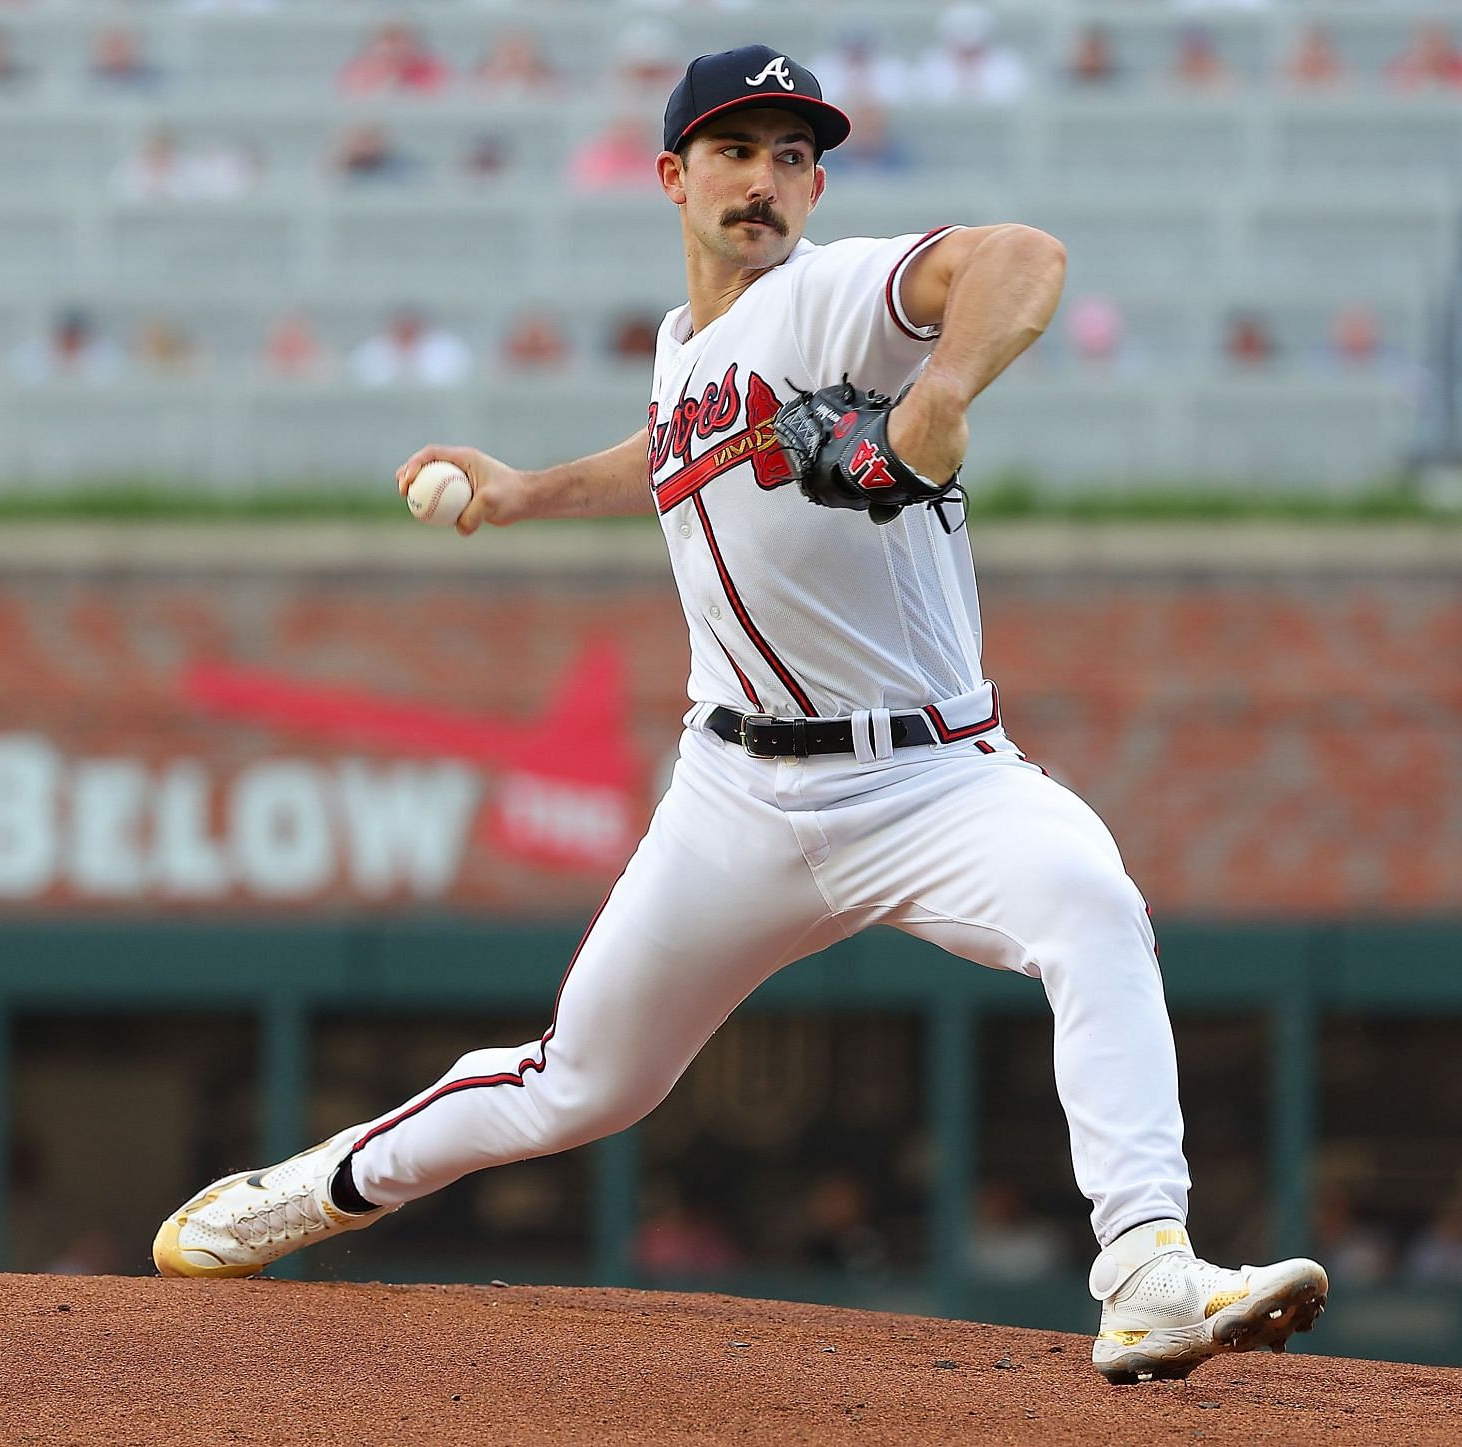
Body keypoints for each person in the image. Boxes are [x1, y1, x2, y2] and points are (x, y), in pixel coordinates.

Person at [152, 43, 1328, 1387]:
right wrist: (526, 491)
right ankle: (316, 1188)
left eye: (791, 156)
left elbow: (1024, 256)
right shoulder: (690, 351)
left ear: (818, 185)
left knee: (1091, 906)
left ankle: (1146, 1272)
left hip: (935, 782)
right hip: (737, 802)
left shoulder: (830, 299)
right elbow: (680, 451)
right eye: (733, 150)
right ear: (672, 177)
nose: (764, 181)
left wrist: (940, 393)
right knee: (581, 1085)